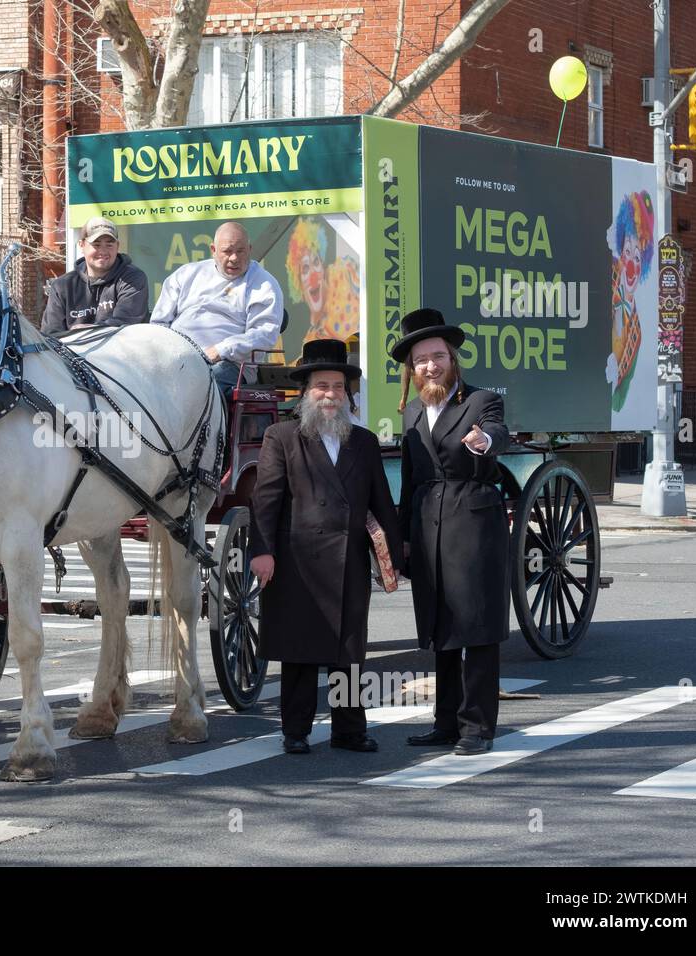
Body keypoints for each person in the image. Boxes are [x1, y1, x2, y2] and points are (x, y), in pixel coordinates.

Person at [248, 338, 403, 755]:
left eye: (337, 386)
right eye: (321, 386)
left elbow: (382, 503)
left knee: (350, 649)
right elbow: (265, 498)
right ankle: (295, 731)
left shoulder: (365, 442)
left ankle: (348, 730)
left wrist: (398, 556)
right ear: (307, 393)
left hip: (348, 558)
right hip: (296, 559)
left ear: (348, 394)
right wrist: (261, 551)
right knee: (298, 650)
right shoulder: (281, 437)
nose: (330, 394)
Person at [392, 308, 510, 756]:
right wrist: (402, 537)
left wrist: (486, 442)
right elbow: (409, 481)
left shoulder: (479, 402)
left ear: (452, 359)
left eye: (437, 356)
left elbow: (498, 432)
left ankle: (477, 727)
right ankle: (446, 722)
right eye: (421, 360)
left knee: (476, 628)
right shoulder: (413, 416)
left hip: (474, 525)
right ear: (413, 369)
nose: (430, 366)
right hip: (427, 528)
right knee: (440, 628)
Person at [149, 221, 284, 400]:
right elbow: (159, 323)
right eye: (227, 251)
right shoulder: (187, 274)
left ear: (249, 249)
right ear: (213, 250)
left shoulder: (264, 284)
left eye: (240, 251)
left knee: (201, 386)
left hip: (229, 365)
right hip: (176, 358)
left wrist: (220, 351)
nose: (234, 258)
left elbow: (263, 334)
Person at [41, 216, 149, 337]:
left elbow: (126, 325)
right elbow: (51, 334)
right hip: (72, 354)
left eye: (109, 245)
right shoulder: (63, 286)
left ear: (117, 246)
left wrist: (88, 331)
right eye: (96, 245)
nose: (103, 251)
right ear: (81, 245)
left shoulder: (132, 278)